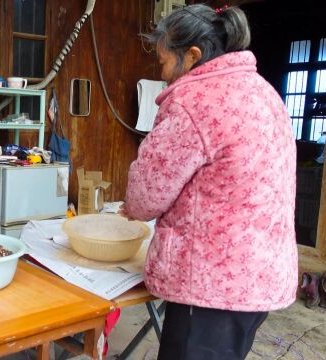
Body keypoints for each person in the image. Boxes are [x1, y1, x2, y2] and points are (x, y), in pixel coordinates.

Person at [120, 4, 297, 359]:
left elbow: (143, 198)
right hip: (258, 275)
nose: (164, 73)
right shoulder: (264, 93)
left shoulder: (193, 101)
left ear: (193, 55)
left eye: (164, 61)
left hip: (210, 287)